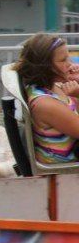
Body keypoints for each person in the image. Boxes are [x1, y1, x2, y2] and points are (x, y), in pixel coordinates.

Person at [14, 33, 79, 164]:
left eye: (68, 58)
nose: (70, 64)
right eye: (63, 60)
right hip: (64, 172)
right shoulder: (45, 103)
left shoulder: (55, 87)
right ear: (45, 67)